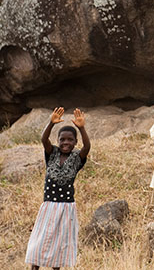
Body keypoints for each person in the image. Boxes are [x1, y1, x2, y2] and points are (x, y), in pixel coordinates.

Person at [26, 107, 90, 270]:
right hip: (48, 206)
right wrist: (50, 123)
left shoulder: (77, 158)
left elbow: (87, 148)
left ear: (75, 142)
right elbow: (44, 140)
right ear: (58, 140)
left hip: (66, 207)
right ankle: (35, 267)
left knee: (60, 242)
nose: (66, 143)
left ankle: (56, 267)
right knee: (40, 239)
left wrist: (81, 128)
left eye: (70, 140)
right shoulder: (52, 153)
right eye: (62, 139)